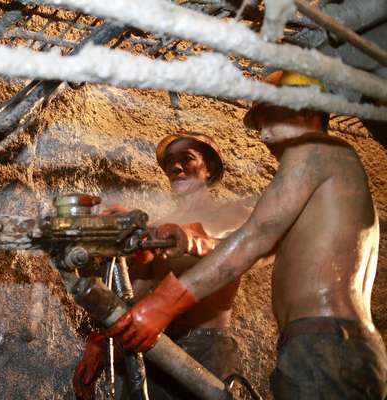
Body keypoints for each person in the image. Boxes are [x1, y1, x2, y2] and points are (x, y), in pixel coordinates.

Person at [108, 71, 387, 399]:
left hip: (324, 340)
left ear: (307, 109)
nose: (264, 135)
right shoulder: (327, 173)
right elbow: (255, 241)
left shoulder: (317, 149)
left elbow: (256, 238)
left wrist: (164, 302)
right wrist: (187, 242)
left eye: (270, 117)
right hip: (328, 341)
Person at [73, 131, 251, 399]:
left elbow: (233, 247)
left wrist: (157, 235)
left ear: (210, 167)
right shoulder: (158, 225)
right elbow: (136, 295)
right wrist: (107, 341)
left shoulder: (233, 213)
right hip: (153, 347)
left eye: (187, 158)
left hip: (205, 348)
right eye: (170, 161)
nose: (175, 167)